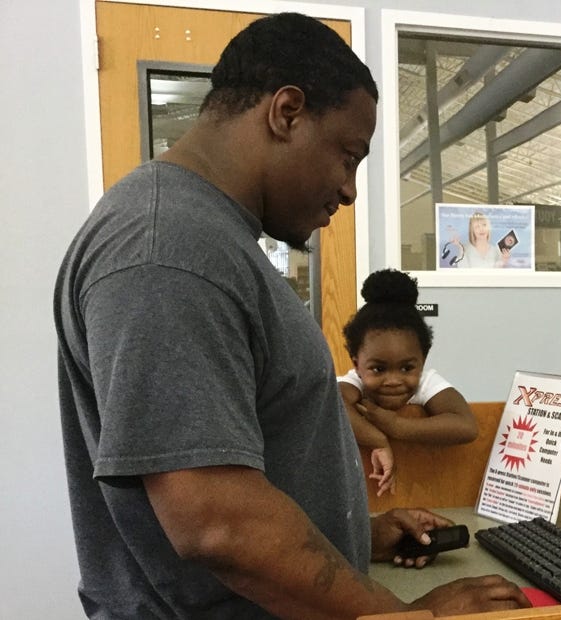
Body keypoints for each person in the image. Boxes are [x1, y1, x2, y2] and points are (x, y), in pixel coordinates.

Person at [54, 13, 529, 619]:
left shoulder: (209, 241)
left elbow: (254, 456)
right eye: (348, 155)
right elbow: (220, 524)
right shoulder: (168, 251)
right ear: (286, 112)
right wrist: (411, 617)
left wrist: (362, 533)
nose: (351, 189)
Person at [340, 268, 478, 496]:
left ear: (423, 361)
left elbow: (466, 426)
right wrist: (378, 440)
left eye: (407, 368)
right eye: (378, 368)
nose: (393, 380)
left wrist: (397, 426)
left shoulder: (426, 382)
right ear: (357, 364)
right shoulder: (354, 382)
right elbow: (333, 405)